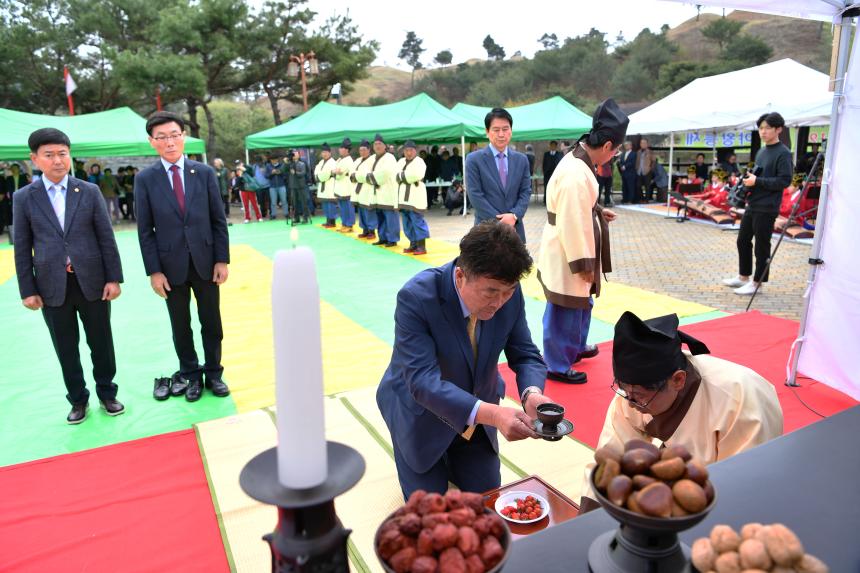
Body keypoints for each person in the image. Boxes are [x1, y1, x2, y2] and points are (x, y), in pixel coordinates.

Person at [377, 222, 551, 498]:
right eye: (491, 292)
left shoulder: (508, 293)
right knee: (431, 514)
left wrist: (532, 394)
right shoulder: (417, 297)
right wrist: (494, 414)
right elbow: (422, 382)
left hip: (477, 416)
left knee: (487, 498)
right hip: (420, 414)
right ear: (460, 276)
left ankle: (455, 459)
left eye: (508, 291)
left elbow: (525, 353)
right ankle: (430, 459)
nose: (500, 301)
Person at [13, 128, 124, 423]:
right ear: (35, 159)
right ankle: (78, 399)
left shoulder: (88, 191)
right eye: (49, 155)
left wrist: (113, 278)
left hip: (93, 281)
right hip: (51, 286)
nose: (58, 160)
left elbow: (106, 237)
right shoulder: (25, 198)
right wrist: (28, 289)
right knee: (65, 346)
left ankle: (107, 393)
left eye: (62, 153)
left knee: (101, 341)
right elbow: (22, 248)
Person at [590, 311, 782, 476]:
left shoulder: (739, 398)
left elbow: (742, 477)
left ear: (678, 380)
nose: (630, 402)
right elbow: (611, 456)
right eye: (624, 388)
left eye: (638, 395)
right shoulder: (634, 392)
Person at [134, 111, 231, 402]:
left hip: (206, 262)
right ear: (152, 142)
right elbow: (145, 230)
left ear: (184, 137)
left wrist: (221, 259)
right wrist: (154, 271)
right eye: (161, 137)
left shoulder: (204, 173)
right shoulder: (146, 179)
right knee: (181, 326)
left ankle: (214, 373)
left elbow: (218, 220)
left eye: (174, 135)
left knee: (211, 322)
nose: (170, 142)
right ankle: (190, 375)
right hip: (169, 266)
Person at [537, 98, 627, 385]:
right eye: (614, 153)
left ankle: (573, 346)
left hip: (567, 242)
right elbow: (573, 222)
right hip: (568, 248)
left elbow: (578, 207)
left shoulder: (579, 158)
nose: (612, 158)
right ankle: (557, 364)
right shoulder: (577, 172)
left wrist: (598, 209)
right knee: (566, 305)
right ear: (607, 146)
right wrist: (583, 264)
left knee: (581, 303)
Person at [722, 112, 793, 295]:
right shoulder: (762, 151)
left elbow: (784, 181)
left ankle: (757, 284)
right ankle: (743, 276)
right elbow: (758, 175)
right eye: (761, 128)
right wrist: (748, 180)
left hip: (768, 206)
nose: (763, 131)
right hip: (753, 203)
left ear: (778, 129)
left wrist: (757, 181)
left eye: (768, 128)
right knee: (743, 240)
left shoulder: (783, 153)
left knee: (762, 246)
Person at [465, 108, 532, 243]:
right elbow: (475, 195)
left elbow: (525, 192)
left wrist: (514, 216)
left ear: (511, 131)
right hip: (486, 231)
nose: (501, 134)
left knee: (516, 264)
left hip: (515, 230)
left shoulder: (522, 160)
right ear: (487, 132)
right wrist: (500, 222)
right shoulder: (473, 159)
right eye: (496, 130)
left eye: (505, 129)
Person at [366, 134, 400, 247]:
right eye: (375, 144)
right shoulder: (371, 158)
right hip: (377, 193)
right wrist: (370, 176)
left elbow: (384, 174)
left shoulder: (390, 158)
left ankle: (393, 238)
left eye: (380, 144)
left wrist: (370, 177)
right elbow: (365, 172)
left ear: (385, 146)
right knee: (380, 217)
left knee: (390, 217)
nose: (377, 146)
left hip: (388, 192)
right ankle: (383, 237)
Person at [397, 141, 430, 255]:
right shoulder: (401, 161)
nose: (409, 153)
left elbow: (416, 175)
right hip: (403, 197)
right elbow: (395, 175)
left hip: (416, 196)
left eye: (411, 150)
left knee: (417, 221)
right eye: (406, 150)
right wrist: (404, 175)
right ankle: (413, 243)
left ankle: (421, 246)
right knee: (407, 222)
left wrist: (402, 176)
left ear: (415, 151)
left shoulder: (419, 162)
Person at [350, 139, 377, 240]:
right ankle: (364, 229)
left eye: (364, 150)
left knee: (369, 210)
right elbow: (352, 173)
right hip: (358, 188)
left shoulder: (373, 160)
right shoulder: (357, 160)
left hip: (368, 188)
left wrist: (358, 175)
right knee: (361, 210)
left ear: (369, 150)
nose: (362, 152)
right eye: (361, 150)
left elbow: (367, 174)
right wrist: (357, 176)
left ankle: (372, 230)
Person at [333, 139, 356, 232]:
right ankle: (344, 223)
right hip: (340, 187)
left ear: (346, 150)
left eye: (342, 148)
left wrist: (335, 172)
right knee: (342, 207)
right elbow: (334, 170)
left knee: (348, 207)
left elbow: (339, 173)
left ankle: (349, 225)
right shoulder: (340, 159)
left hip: (346, 187)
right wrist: (335, 171)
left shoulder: (348, 160)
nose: (340, 150)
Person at [315, 143, 339, 228]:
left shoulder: (333, 162)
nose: (324, 154)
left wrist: (321, 176)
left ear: (330, 153)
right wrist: (320, 176)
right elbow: (316, 172)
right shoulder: (321, 162)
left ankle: (332, 221)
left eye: (326, 152)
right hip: (322, 184)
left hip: (329, 185)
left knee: (330, 203)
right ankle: (328, 220)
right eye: (323, 152)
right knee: (325, 203)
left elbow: (327, 174)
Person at [288, 150, 310, 225]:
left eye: (296, 154)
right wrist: (285, 162)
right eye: (293, 154)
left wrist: (296, 173)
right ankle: (296, 218)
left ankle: (305, 217)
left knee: (303, 202)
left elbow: (303, 173)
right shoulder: (289, 164)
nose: (294, 155)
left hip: (301, 185)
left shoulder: (302, 164)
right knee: (295, 203)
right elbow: (283, 170)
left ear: (299, 155)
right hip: (293, 186)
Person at [266, 155, 288, 220]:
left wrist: (280, 173)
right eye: (272, 160)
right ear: (270, 160)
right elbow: (266, 175)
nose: (273, 161)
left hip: (281, 185)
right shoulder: (268, 166)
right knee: (273, 202)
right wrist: (271, 173)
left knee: (284, 200)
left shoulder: (282, 165)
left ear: (277, 159)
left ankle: (286, 213)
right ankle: (273, 214)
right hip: (272, 186)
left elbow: (285, 175)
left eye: (275, 159)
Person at [636, 138, 655, 203]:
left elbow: (654, 161)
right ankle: (641, 198)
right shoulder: (638, 152)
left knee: (647, 187)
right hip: (639, 171)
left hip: (647, 171)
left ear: (647, 144)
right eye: (641, 143)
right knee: (638, 186)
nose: (643, 144)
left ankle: (646, 200)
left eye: (644, 143)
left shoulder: (650, 152)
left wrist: (650, 169)